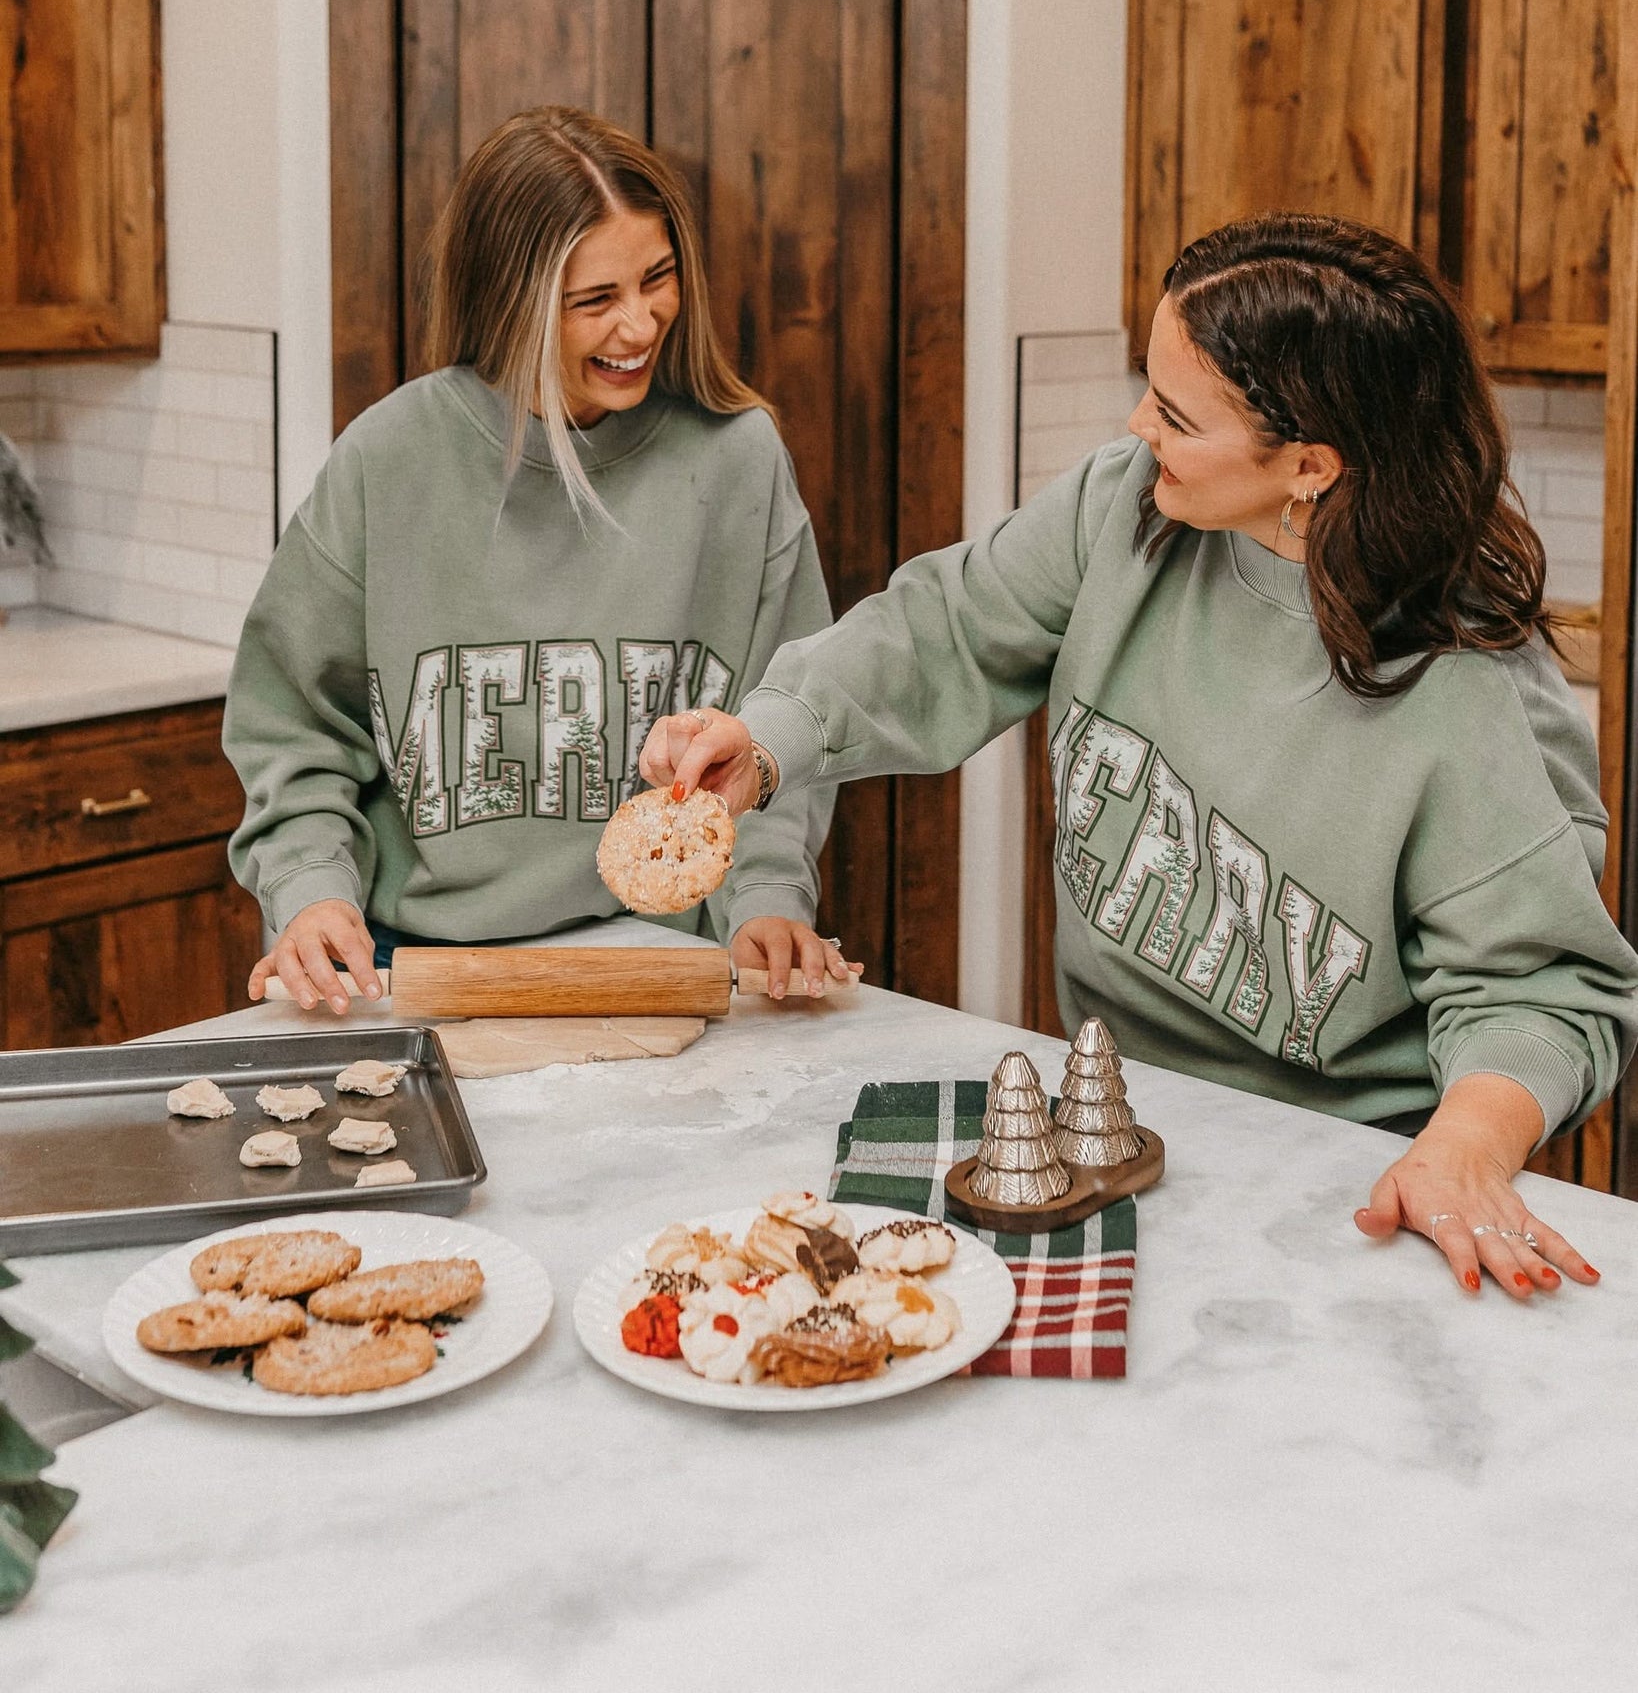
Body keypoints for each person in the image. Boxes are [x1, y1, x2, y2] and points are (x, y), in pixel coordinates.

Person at [640, 212, 1638, 1300]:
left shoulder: (1470, 688)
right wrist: (768, 740)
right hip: (1102, 1124)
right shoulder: (1124, 503)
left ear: (1309, 465)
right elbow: (947, 629)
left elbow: (1540, 989)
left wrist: (1468, 1147)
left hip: (1337, 1182)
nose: (1135, 423)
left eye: (1175, 413)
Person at [225, 106, 857, 1013]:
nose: (639, 324)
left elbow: (776, 721)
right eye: (595, 301)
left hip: (655, 960)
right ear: (510, 302)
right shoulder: (386, 461)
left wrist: (766, 898)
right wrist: (311, 892)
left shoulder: (739, 462)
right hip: (410, 967)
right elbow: (294, 728)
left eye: (658, 278)